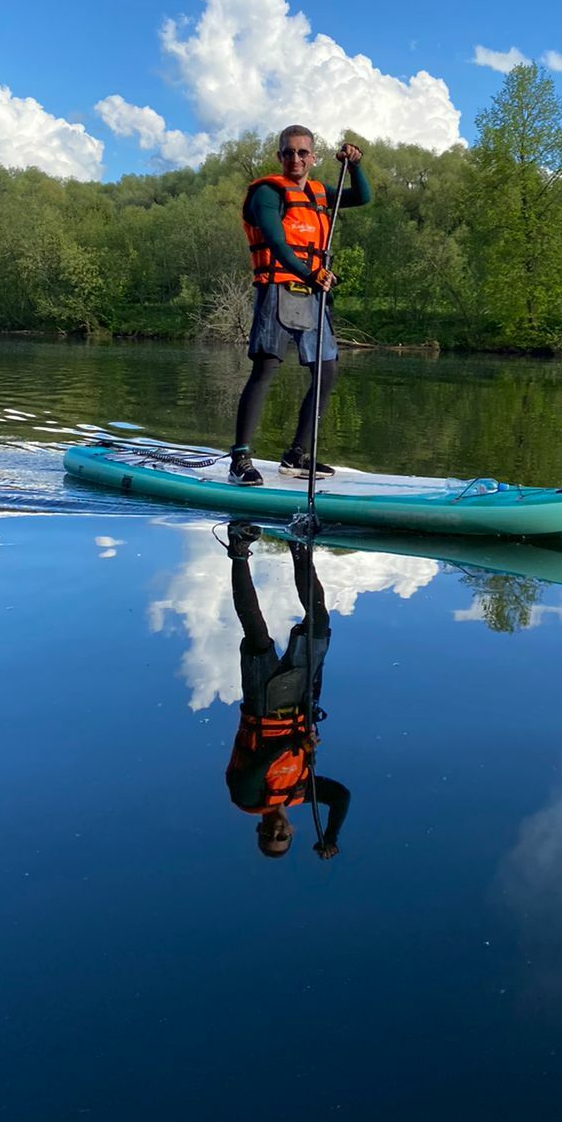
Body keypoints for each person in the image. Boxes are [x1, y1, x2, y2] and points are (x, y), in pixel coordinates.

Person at [229, 124, 371, 486]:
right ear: (280, 156)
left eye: (303, 152)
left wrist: (355, 164)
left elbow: (363, 197)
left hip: (312, 294)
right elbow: (277, 243)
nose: (296, 159)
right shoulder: (266, 193)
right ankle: (240, 459)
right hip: (278, 287)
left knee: (327, 371)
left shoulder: (321, 193)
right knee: (266, 368)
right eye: (289, 152)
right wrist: (309, 274)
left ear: (314, 157)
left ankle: (296, 456)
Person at [224, 522, 350, 860]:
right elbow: (340, 796)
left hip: (263, 706)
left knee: (257, 637)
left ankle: (238, 550)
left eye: (269, 835)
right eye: (282, 837)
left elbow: (255, 770)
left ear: (259, 829)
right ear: (292, 831)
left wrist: (294, 743)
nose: (276, 831)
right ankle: (298, 542)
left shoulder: (247, 799)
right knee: (319, 623)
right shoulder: (299, 793)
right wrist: (331, 835)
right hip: (300, 701)